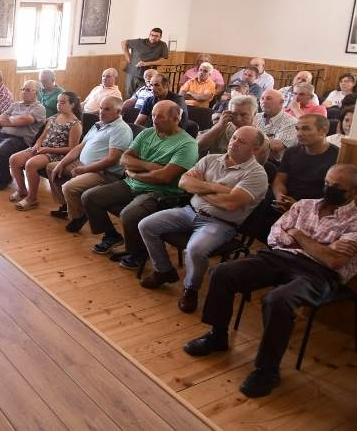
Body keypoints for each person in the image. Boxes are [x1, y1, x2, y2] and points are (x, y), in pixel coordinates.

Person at [183, 164, 357, 398]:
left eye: (337, 187)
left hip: (319, 274)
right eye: (327, 182)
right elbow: (275, 235)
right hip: (280, 256)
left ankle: (267, 370)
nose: (328, 189)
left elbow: (334, 262)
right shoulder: (304, 205)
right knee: (222, 273)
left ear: (353, 192)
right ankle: (217, 335)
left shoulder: (354, 222)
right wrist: (321, 247)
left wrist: (298, 234)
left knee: (278, 300)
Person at [139, 126, 268, 313]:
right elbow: (184, 182)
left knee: (195, 250)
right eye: (234, 138)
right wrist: (217, 188)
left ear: (255, 149)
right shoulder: (210, 159)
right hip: (189, 211)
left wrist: (199, 189)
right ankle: (164, 271)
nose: (234, 143)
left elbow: (229, 204)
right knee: (146, 225)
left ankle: (191, 289)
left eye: (242, 141)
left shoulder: (257, 175)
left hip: (220, 223)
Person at [81, 100, 199, 270]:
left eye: (160, 117)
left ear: (176, 119)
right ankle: (111, 235)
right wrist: (150, 167)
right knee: (90, 197)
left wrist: (136, 171)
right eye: (153, 116)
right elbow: (124, 159)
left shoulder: (187, 145)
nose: (155, 120)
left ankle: (138, 253)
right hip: (132, 182)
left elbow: (165, 177)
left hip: (161, 193)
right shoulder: (147, 133)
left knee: (129, 215)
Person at [49, 96, 132, 232]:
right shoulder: (98, 124)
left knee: (69, 187)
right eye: (100, 108)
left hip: (103, 173)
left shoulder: (121, 129)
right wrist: (61, 163)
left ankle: (78, 217)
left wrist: (85, 169)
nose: (101, 112)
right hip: (83, 164)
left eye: (106, 109)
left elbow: (112, 159)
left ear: (118, 112)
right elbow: (79, 147)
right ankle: (67, 206)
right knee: (52, 168)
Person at [8, 92, 82, 210]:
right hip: (43, 149)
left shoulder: (75, 124)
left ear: (72, 105)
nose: (59, 105)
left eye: (63, 102)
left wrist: (47, 149)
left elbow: (72, 149)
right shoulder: (53, 118)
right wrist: (36, 146)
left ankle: (32, 199)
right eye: (58, 102)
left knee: (31, 164)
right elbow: (42, 137)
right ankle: (22, 190)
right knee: (14, 159)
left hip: (57, 154)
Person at [272, 114, 339, 213]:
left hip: (315, 209)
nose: (299, 134)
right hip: (286, 202)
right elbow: (279, 180)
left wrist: (300, 206)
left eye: (306, 129)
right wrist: (280, 197)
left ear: (323, 131)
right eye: (297, 129)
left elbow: (332, 197)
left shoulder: (337, 156)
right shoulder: (291, 152)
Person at [121, 28, 169, 96]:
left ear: (160, 37)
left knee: (142, 94)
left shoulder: (162, 45)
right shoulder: (140, 42)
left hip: (148, 75)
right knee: (129, 93)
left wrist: (146, 63)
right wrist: (128, 58)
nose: (153, 37)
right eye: (152, 35)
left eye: (156, 36)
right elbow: (123, 42)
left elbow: (162, 60)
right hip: (133, 72)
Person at [255, 89, 298, 162]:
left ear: (281, 102)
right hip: (253, 158)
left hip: (275, 164)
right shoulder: (256, 117)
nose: (264, 101)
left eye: (268, 98)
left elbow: (275, 146)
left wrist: (252, 138)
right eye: (262, 98)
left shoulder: (291, 122)